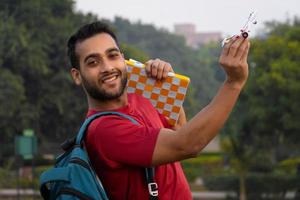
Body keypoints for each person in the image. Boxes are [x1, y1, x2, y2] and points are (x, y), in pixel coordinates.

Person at [68, 21, 250, 200]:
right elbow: (187, 144)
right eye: (93, 62)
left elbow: (179, 128)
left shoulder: (139, 98)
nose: (107, 67)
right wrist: (233, 83)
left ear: (123, 59)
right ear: (77, 76)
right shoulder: (103, 130)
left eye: (112, 55)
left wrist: (166, 87)